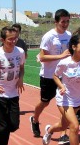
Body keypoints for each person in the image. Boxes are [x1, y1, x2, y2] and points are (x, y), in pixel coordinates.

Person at [30, 9, 71, 137]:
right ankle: (35, 119)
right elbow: (42, 57)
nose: (65, 24)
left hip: (64, 75)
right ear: (56, 22)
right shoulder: (49, 36)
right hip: (48, 75)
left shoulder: (69, 35)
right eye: (63, 22)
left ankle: (64, 133)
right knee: (45, 102)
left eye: (67, 21)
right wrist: (61, 56)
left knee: (65, 103)